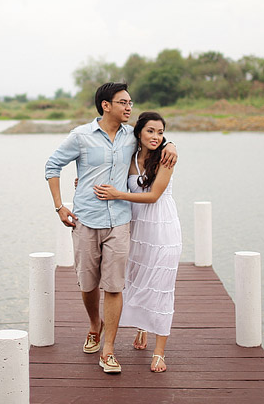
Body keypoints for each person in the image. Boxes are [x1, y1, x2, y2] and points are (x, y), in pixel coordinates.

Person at [45, 83, 177, 374]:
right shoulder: (80, 136)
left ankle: (108, 350)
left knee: (115, 286)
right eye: (123, 103)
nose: (129, 107)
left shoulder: (132, 135)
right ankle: (95, 326)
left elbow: (155, 138)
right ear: (106, 105)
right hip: (85, 219)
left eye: (131, 102)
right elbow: (52, 166)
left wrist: (172, 145)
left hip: (119, 220)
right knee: (88, 284)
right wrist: (59, 206)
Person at [92, 111, 182, 373]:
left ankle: (159, 352)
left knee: (161, 286)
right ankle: (142, 328)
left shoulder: (166, 157)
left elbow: (153, 196)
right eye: (151, 131)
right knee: (136, 280)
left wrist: (118, 194)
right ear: (139, 133)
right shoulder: (129, 158)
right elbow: (104, 175)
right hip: (136, 230)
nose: (156, 136)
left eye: (161, 132)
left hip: (164, 231)